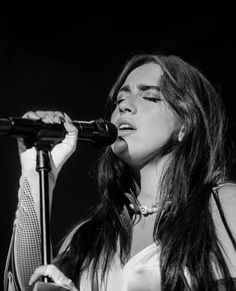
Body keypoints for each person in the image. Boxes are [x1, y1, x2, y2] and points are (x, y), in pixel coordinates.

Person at [4, 53, 236, 291]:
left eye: (149, 96)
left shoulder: (222, 206)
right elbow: (23, 285)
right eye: (119, 99)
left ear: (185, 124)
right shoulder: (87, 238)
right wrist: (36, 176)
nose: (124, 105)